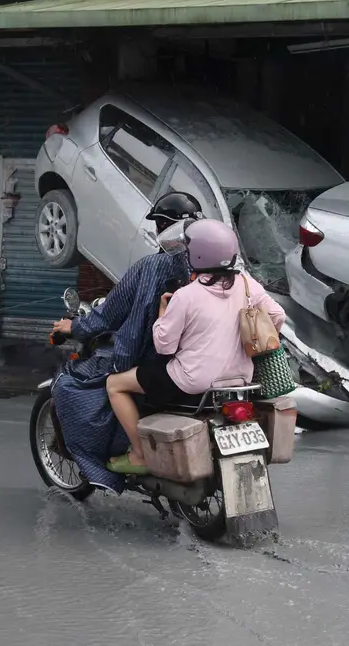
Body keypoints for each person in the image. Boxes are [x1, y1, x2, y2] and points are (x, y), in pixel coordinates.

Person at [104, 219, 286, 474]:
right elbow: (277, 316)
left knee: (115, 384)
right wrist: (252, 342)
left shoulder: (186, 296)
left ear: (197, 256)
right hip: (240, 382)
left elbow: (164, 347)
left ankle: (139, 454)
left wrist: (162, 313)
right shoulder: (246, 284)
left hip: (192, 383)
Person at [49, 192, 203, 492]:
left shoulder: (151, 268)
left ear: (162, 228)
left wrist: (76, 326)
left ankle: (134, 453)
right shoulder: (224, 276)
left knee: (75, 386)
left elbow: (108, 315)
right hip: (221, 369)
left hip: (165, 367)